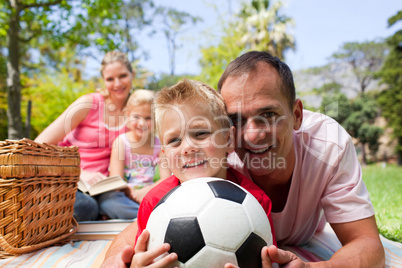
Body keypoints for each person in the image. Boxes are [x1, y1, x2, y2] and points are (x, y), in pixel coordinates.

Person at [101, 51, 385, 268]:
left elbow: (367, 243)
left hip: (305, 236)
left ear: (297, 115)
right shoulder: (212, 158)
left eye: (269, 114)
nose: (252, 135)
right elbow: (152, 219)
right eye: (237, 119)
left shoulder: (328, 144)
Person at [131, 79, 276, 267]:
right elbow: (141, 257)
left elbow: (269, 260)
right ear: (165, 155)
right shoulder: (153, 203)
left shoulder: (257, 202)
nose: (188, 148)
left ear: (229, 139)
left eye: (200, 133)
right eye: (175, 140)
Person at [35, 50, 133, 221]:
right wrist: (80, 173)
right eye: (110, 79)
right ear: (103, 80)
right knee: (85, 207)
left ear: (132, 75)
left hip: (102, 187)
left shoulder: (136, 112)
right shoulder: (88, 103)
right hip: (70, 178)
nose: (117, 83)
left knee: (113, 206)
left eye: (123, 76)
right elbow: (39, 145)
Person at [102, 89, 164, 219]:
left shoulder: (159, 144)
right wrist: (134, 194)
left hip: (150, 195)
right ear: (127, 115)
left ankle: (146, 215)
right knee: (108, 201)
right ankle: (147, 218)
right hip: (125, 196)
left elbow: (166, 179)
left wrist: (144, 193)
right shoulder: (121, 142)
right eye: (136, 117)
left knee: (168, 194)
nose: (142, 123)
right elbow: (116, 180)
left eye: (148, 118)